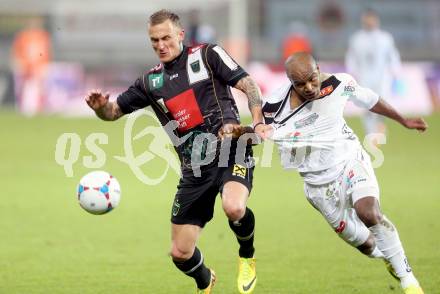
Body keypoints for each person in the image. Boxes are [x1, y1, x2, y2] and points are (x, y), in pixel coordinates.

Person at [85, 9, 271, 294]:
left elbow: (248, 84)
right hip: (194, 169)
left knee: (234, 207)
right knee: (180, 254)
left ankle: (247, 255)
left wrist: (257, 121)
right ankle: (205, 281)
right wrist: (99, 108)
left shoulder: (208, 55)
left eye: (166, 38)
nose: (161, 45)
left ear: (180, 35)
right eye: (154, 41)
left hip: (230, 149)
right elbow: (113, 113)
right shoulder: (149, 83)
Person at [227, 52, 426, 294]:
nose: (309, 87)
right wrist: (242, 131)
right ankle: (387, 256)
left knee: (369, 212)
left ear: (318, 69)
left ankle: (409, 281)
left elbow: (369, 99)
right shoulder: (274, 107)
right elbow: (261, 135)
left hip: (350, 161)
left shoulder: (338, 83)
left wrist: (402, 120)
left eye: (312, 79)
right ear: (290, 82)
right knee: (365, 244)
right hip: (318, 186)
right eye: (300, 84)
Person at [345, 8, 401, 137]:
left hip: (382, 77)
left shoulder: (385, 38)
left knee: (382, 103)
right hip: (364, 77)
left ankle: (380, 126)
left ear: (376, 20)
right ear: (363, 20)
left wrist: (396, 71)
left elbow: (392, 55)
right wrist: (352, 73)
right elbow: (351, 57)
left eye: (371, 19)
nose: (369, 21)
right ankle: (370, 131)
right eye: (366, 19)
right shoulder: (357, 38)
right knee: (366, 104)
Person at [11, 17, 51, 116]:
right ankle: (24, 109)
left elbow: (46, 52)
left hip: (39, 67)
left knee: (39, 89)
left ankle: (40, 109)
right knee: (25, 89)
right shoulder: (23, 36)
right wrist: (18, 63)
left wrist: (44, 65)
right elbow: (16, 52)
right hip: (26, 67)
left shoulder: (43, 36)